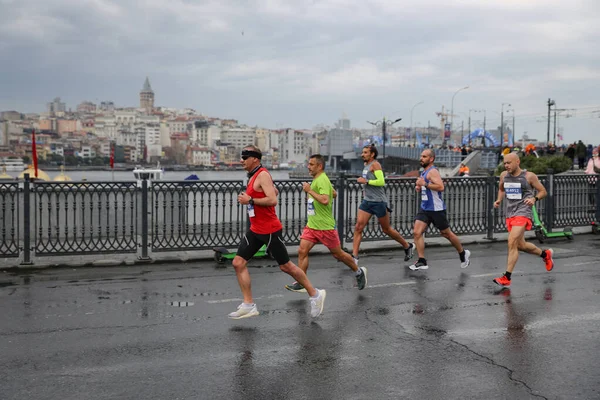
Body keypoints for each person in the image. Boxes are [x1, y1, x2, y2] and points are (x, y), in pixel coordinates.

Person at [229, 145, 326, 319]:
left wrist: (250, 199)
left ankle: (315, 294)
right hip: (255, 229)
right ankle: (248, 305)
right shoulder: (253, 176)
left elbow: (272, 200)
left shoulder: (262, 174)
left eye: (245, 157)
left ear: (255, 159)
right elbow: (272, 192)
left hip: (270, 230)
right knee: (238, 262)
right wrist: (266, 191)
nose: (241, 160)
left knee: (286, 266)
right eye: (242, 157)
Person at [285, 154, 367, 293]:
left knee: (338, 254)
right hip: (312, 225)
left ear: (320, 166)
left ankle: (358, 271)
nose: (308, 167)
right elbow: (333, 194)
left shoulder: (322, 179)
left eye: (311, 164)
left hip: (325, 227)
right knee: (302, 251)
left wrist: (309, 190)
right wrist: (329, 191)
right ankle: (301, 282)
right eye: (308, 164)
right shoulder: (319, 179)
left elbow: (325, 200)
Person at [492, 152, 555, 286]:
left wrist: (534, 198)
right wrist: (498, 199)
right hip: (510, 213)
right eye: (505, 163)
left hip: (523, 212)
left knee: (511, 241)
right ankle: (545, 255)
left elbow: (543, 191)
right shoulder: (504, 175)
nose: (506, 165)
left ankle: (507, 277)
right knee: (521, 245)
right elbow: (501, 189)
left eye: (509, 163)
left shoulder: (529, 176)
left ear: (517, 162)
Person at [352, 144, 414, 265]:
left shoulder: (376, 164)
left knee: (386, 229)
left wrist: (366, 181)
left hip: (379, 202)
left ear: (372, 154)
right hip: (367, 201)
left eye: (365, 152)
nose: (362, 154)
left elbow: (381, 182)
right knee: (358, 227)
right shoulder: (366, 165)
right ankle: (354, 257)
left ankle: (407, 246)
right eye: (362, 152)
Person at [409, 149, 471, 270]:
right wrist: (420, 187)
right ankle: (422, 261)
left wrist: (425, 184)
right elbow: (425, 186)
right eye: (421, 156)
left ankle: (463, 253)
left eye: (424, 156)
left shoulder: (433, 171)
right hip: (425, 208)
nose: (421, 158)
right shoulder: (424, 172)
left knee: (446, 233)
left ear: (431, 159)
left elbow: (440, 187)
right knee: (417, 232)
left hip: (436, 209)